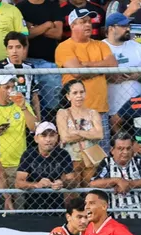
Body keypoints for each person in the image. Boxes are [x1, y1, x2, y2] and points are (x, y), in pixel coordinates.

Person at [55, 8, 117, 152]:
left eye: (89, 21)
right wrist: (101, 67)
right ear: (72, 26)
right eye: (82, 22)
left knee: (101, 156)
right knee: (76, 158)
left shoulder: (101, 45)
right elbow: (77, 72)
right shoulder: (64, 47)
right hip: (76, 113)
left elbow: (113, 65)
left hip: (100, 111)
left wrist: (87, 64)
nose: (88, 25)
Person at [0, 75, 37, 191]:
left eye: (13, 87)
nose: (11, 91)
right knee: (1, 203)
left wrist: (23, 107)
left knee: (19, 202)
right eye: (7, 87)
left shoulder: (22, 105)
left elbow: (34, 128)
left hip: (19, 164)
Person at [90, 131, 141, 219]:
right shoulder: (107, 162)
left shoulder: (138, 161)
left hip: (139, 215)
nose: (125, 152)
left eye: (128, 148)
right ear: (112, 150)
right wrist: (117, 180)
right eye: (120, 148)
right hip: (113, 216)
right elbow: (93, 183)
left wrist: (130, 184)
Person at [15, 121, 77, 211]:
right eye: (44, 136)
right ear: (36, 139)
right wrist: (37, 185)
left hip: (57, 205)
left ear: (56, 137)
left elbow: (73, 181)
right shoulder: (29, 154)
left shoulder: (63, 154)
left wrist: (62, 183)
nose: (48, 139)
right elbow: (18, 183)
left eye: (51, 135)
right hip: (33, 205)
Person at [17, 0, 64, 116]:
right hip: (26, 63)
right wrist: (47, 25)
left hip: (49, 63)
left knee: (52, 105)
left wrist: (34, 28)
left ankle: (50, 130)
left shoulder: (53, 5)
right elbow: (24, 35)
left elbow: (57, 33)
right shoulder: (20, 7)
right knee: (27, 102)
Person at [56, 79, 105, 187]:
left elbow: (99, 135)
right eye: (75, 93)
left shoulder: (93, 113)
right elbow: (65, 137)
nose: (79, 96)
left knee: (90, 190)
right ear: (68, 96)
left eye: (81, 92)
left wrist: (77, 132)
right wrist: (89, 133)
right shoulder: (63, 113)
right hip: (70, 160)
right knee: (73, 195)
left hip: (91, 159)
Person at [103, 13, 141, 117]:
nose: (128, 29)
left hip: (138, 108)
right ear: (111, 28)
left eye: (128, 26)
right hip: (111, 108)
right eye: (123, 26)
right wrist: (109, 77)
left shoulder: (137, 46)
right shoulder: (100, 47)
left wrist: (139, 75)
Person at [0, 32, 41, 122]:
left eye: (18, 47)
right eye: (10, 47)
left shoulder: (29, 67)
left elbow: (34, 95)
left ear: (24, 49)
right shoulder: (0, 66)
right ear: (6, 50)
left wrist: (38, 118)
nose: (14, 51)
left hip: (27, 111)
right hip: (7, 113)